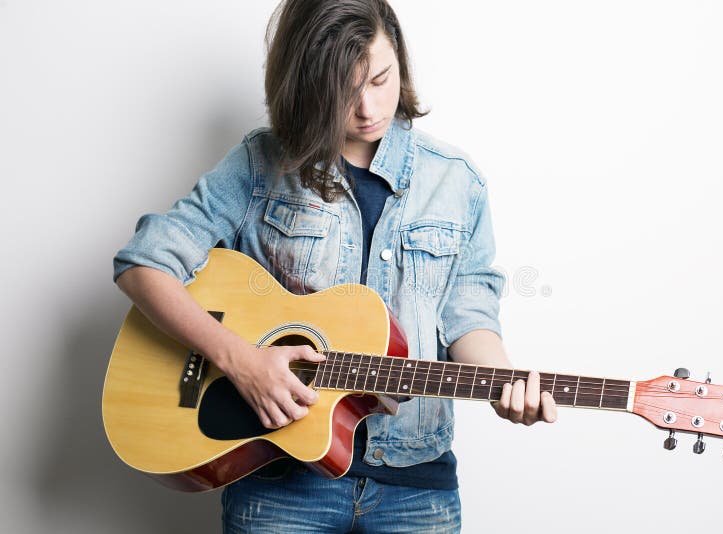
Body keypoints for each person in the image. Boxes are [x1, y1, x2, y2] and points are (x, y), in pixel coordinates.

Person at [113, 0, 557, 531]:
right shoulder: (261, 164)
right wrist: (240, 361)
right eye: (343, 93)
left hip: (416, 487)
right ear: (306, 87)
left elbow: (469, 317)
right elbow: (143, 264)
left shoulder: (457, 182)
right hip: (280, 483)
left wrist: (502, 381)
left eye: (380, 79)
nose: (368, 108)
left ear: (400, 61)